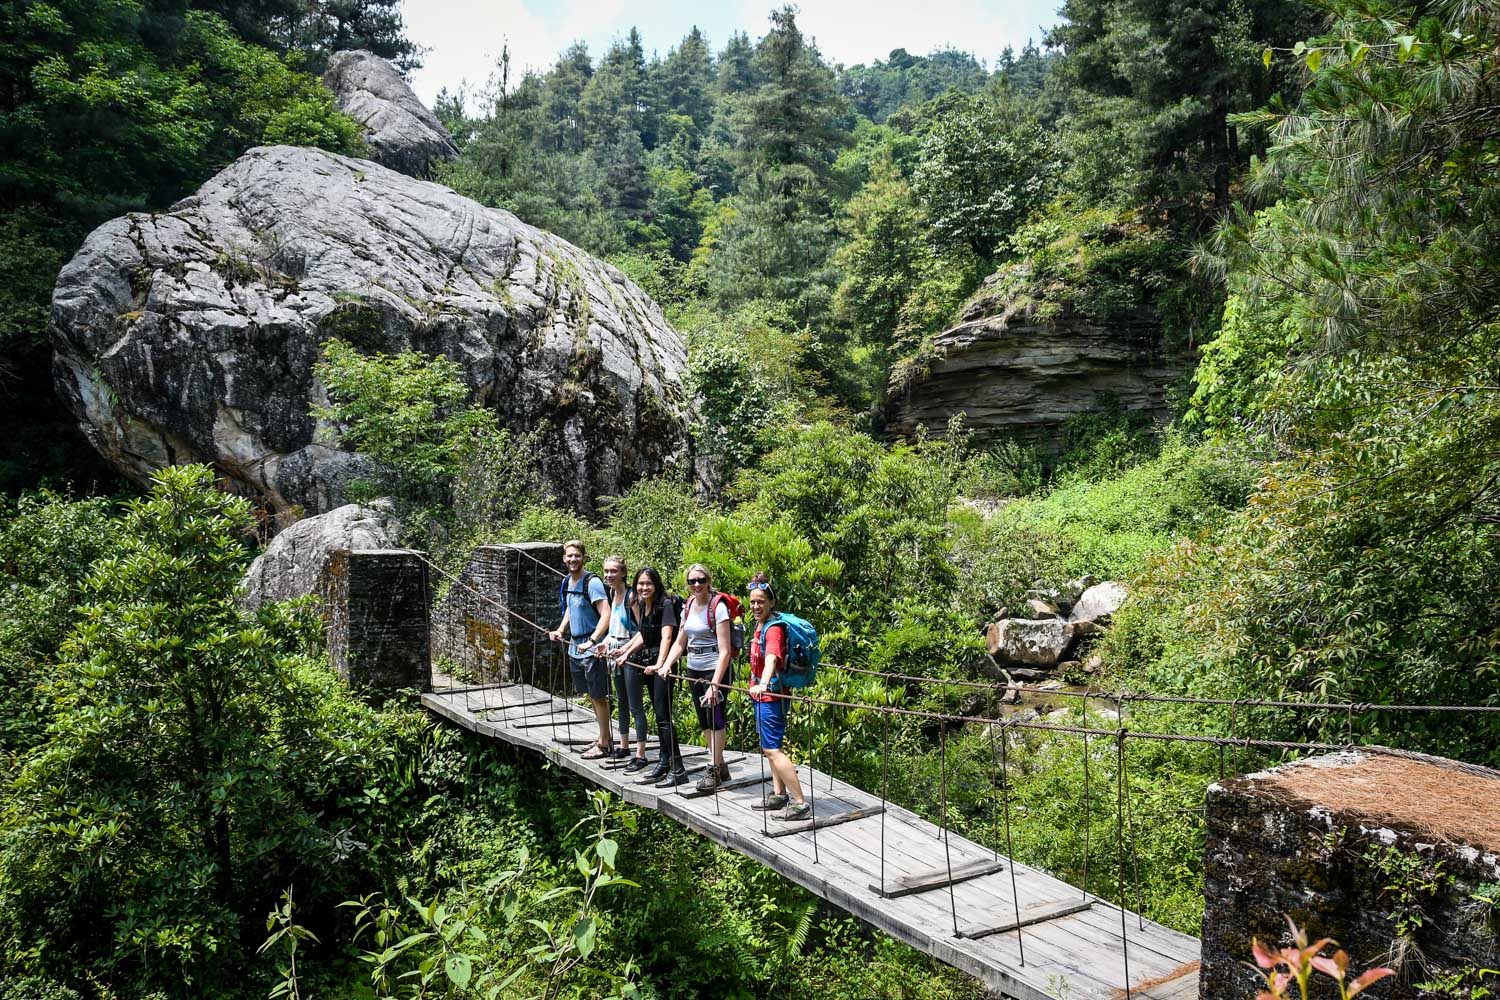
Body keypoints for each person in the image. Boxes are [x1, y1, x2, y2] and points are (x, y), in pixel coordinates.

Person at [661, 563, 734, 791]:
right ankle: (719, 764)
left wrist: (715, 685)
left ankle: (713, 769)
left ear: (708, 581)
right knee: (704, 719)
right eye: (692, 581)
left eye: (701, 580)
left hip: (715, 668)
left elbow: (725, 651)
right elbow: (681, 641)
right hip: (694, 667)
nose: (696, 585)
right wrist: (666, 664)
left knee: (716, 718)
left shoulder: (718, 608)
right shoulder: (689, 605)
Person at [612, 567, 686, 785]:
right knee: (659, 715)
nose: (644, 588)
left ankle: (678, 767)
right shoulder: (644, 604)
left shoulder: (666, 604)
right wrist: (626, 652)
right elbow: (644, 635)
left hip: (663, 668)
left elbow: (667, 636)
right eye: (640, 584)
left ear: (656, 585)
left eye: (648, 584)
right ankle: (664, 762)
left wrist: (660, 664)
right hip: (651, 665)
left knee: (664, 718)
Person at [746, 573, 810, 821]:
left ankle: (800, 803)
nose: (755, 606)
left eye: (761, 601)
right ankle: (779, 794)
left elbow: (772, 657)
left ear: (771, 602)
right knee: (769, 747)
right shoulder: (761, 624)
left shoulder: (773, 629)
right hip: (763, 694)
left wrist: (763, 684)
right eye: (753, 601)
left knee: (772, 749)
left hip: (770, 695)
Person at [546, 540, 614, 759]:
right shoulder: (567, 582)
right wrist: (560, 630)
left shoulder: (591, 582)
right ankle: (603, 737)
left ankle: (604, 744)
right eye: (569, 556)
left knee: (599, 696)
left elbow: (606, 613)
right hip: (575, 647)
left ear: (584, 557)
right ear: (564, 559)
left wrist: (593, 641)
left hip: (592, 648)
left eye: (577, 555)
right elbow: (569, 610)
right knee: (591, 695)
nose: (573, 559)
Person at [599, 555, 646, 768]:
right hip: (614, 653)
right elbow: (614, 629)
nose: (609, 575)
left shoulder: (631, 597)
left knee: (636, 704)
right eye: (607, 571)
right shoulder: (612, 593)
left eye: (613, 571)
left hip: (631, 654)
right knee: (621, 702)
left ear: (623, 573)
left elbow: (642, 631)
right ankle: (624, 745)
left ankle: (641, 753)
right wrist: (603, 643)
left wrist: (626, 650)